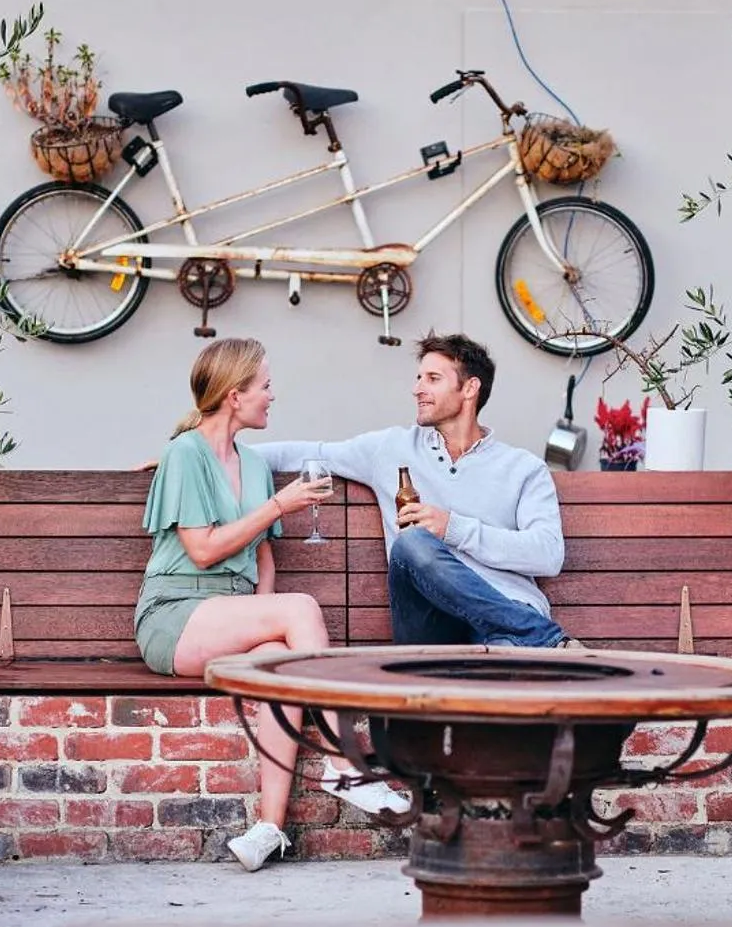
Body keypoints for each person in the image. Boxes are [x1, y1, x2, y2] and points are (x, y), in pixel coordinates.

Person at [136, 337, 407, 873]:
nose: (272, 395)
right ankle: (341, 766)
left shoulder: (255, 464)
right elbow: (204, 548)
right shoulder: (185, 453)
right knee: (301, 609)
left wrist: (264, 630)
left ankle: (270, 828)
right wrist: (280, 506)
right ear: (234, 396)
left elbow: (264, 564)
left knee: (285, 663)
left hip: (228, 616)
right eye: (264, 386)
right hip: (175, 614)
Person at [250, 332, 579, 649]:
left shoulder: (523, 468)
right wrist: (211, 449)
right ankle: (543, 638)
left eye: (432, 379)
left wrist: (453, 527)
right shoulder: (390, 448)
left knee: (507, 666)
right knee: (412, 543)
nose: (416, 389)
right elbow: (306, 453)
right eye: (419, 378)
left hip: (504, 622)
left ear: (470, 389)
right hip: (431, 626)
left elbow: (547, 555)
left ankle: (513, 646)